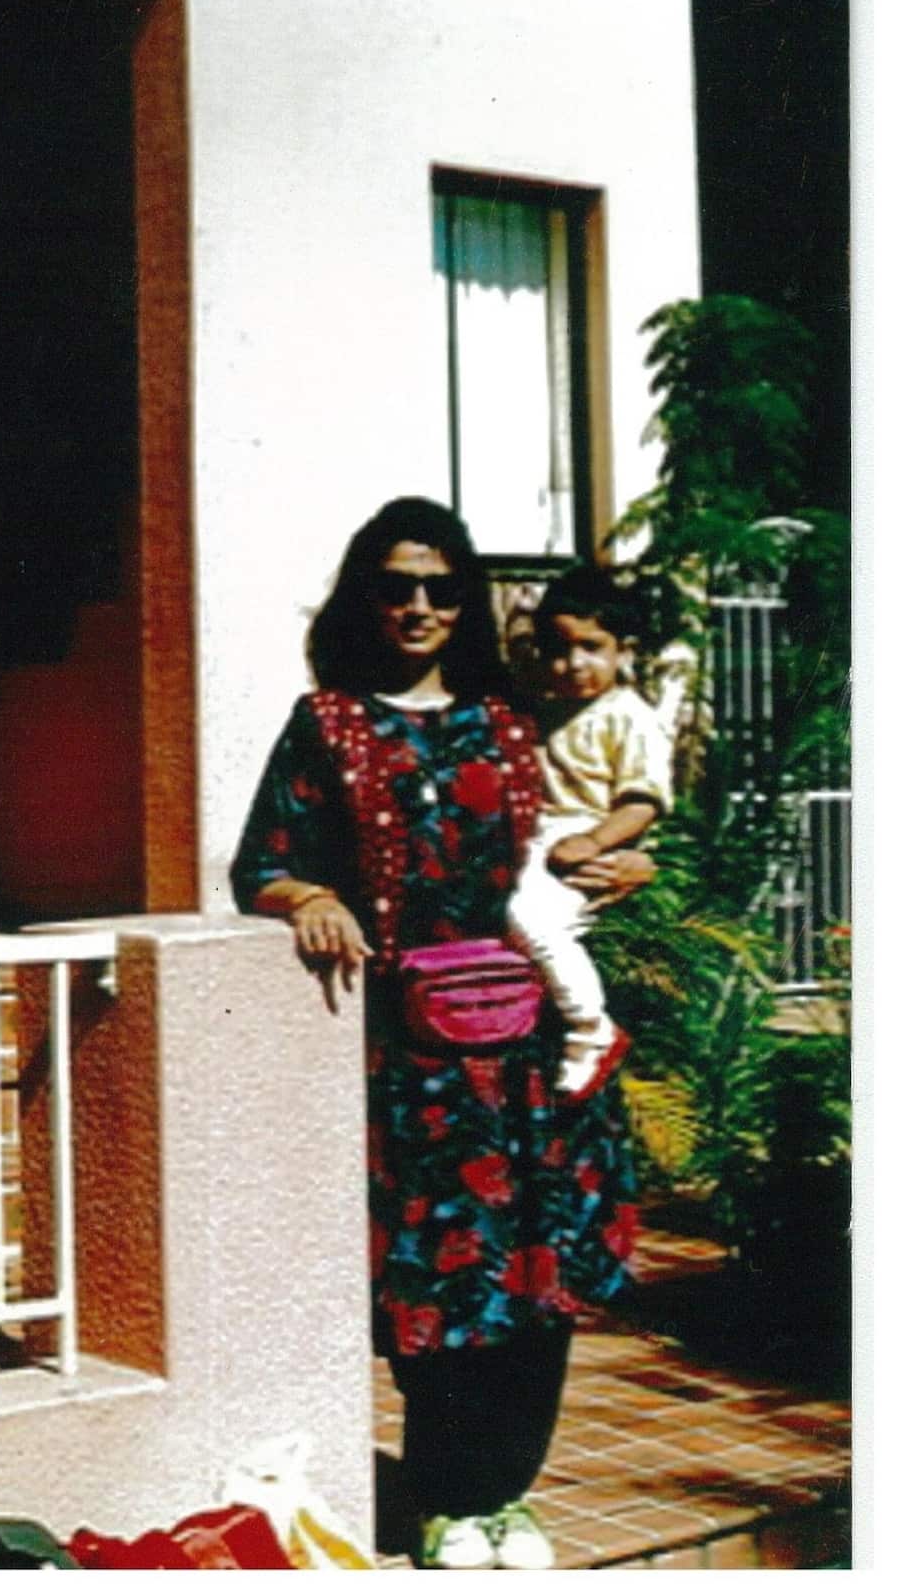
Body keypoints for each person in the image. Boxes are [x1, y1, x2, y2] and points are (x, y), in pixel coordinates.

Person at [230, 498, 650, 1571]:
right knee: (438, 1278)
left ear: (466, 599)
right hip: (410, 1060)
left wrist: (621, 864)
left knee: (535, 1280)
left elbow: (584, 837)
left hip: (530, 1054)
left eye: (439, 586)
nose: (417, 605)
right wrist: (304, 897)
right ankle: (450, 1496)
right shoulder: (325, 722)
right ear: (364, 595)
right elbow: (260, 862)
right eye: (395, 583)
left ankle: (507, 1495)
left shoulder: (512, 718)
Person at [508, 566, 674, 1098]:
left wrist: (597, 842)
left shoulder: (627, 715)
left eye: (590, 646)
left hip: (581, 838)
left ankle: (589, 1028)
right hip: (540, 838)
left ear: (623, 650)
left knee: (531, 919)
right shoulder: (545, 709)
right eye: (558, 647)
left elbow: (642, 801)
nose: (572, 663)